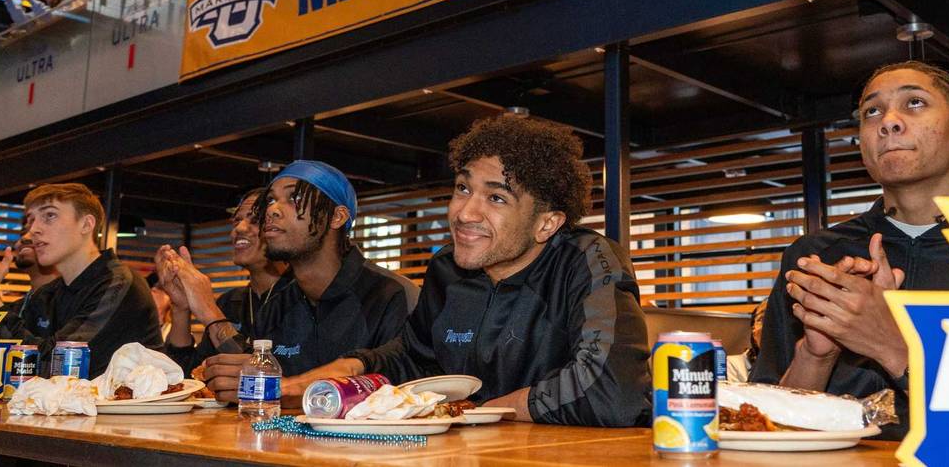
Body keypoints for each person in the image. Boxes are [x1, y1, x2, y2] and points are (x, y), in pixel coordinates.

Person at [279, 116, 653, 426]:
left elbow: (612, 390)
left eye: (496, 197)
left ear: (547, 223)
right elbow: (415, 356)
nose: (464, 213)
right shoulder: (447, 269)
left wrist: (491, 411)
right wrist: (347, 369)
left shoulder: (587, 260)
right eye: (462, 188)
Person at [751, 61, 949, 440]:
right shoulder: (817, 257)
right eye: (872, 111)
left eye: (915, 103)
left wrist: (891, 343)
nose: (888, 121)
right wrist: (816, 354)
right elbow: (769, 426)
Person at [194, 162, 418, 398]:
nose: (272, 210)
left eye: (294, 198)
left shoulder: (390, 295)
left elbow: (405, 395)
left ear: (337, 217)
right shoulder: (277, 306)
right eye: (270, 200)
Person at [0, 184, 163, 377]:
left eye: (49, 215)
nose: (33, 229)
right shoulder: (50, 293)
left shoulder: (118, 283)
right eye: (31, 220)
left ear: (86, 224)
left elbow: (57, 365)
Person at [158, 189, 292, 375]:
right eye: (236, 220)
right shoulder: (230, 303)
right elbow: (186, 377)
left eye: (254, 220)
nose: (239, 229)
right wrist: (181, 307)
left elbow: (267, 376)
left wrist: (208, 311)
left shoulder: (301, 297)